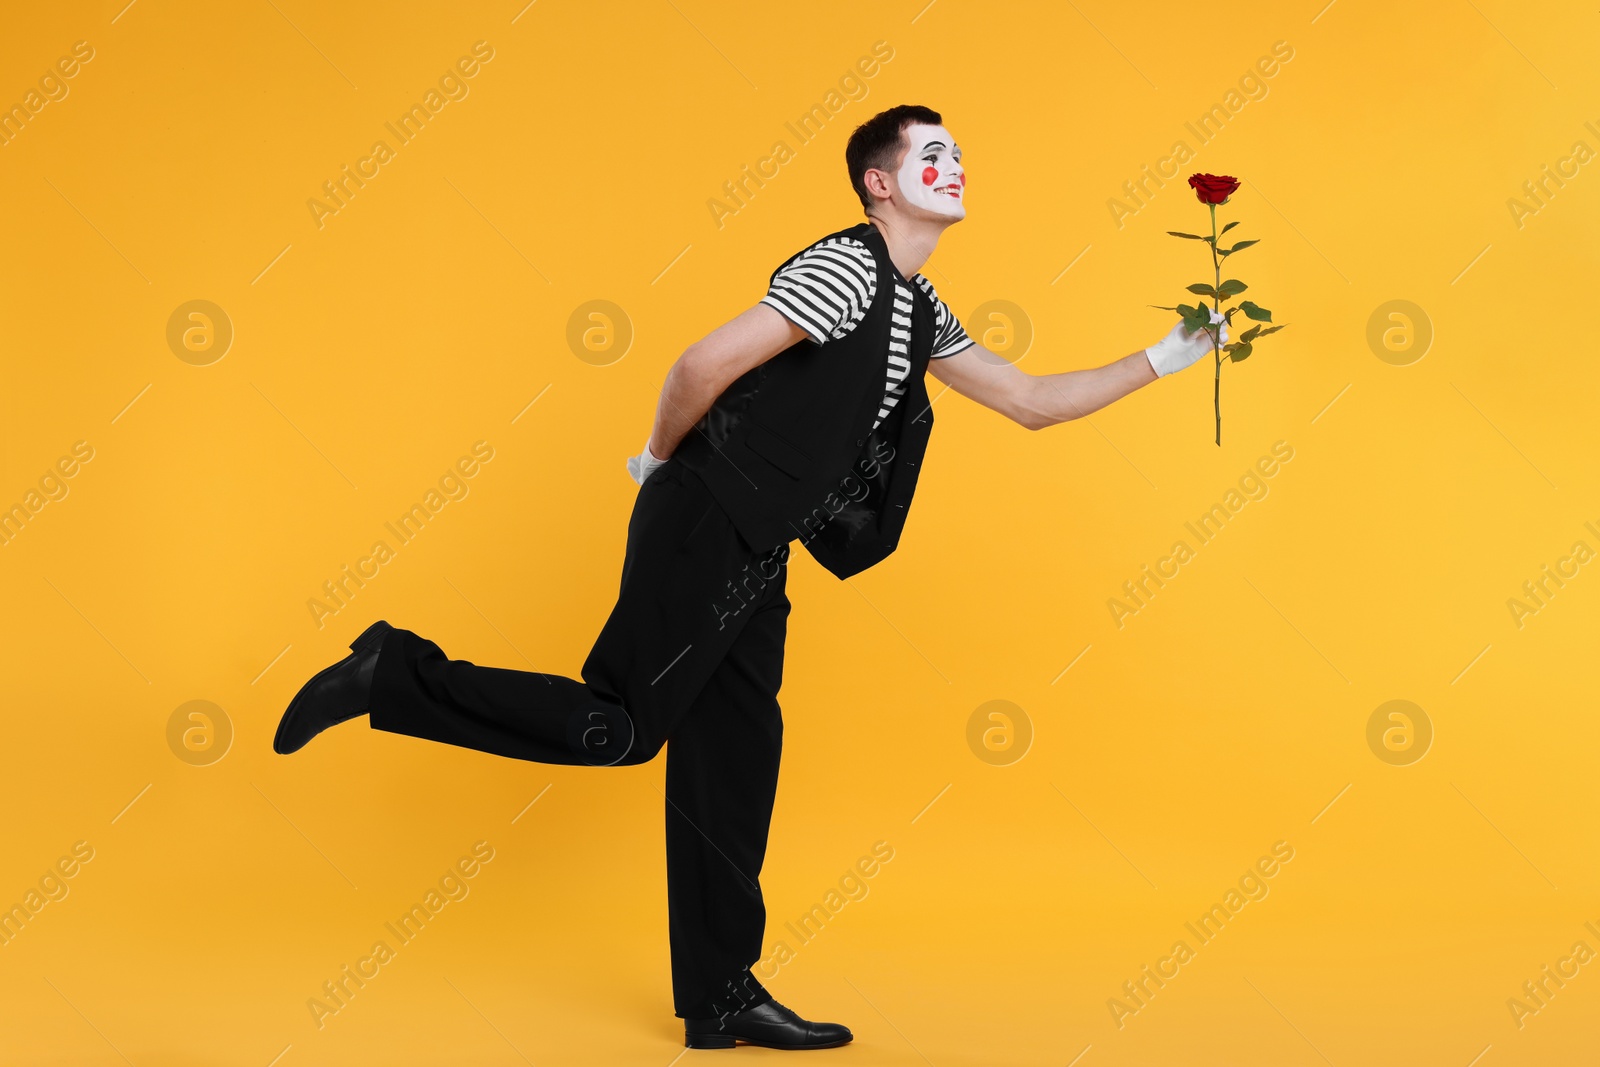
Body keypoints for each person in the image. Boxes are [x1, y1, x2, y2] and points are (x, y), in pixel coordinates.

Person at [273, 103, 1226, 1052]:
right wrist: (655, 464)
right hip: (706, 516)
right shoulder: (848, 266)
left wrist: (1168, 356)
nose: (958, 164)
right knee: (621, 727)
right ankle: (390, 672)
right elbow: (701, 364)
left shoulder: (921, 306)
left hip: (756, 543)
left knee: (732, 761)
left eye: (962, 151)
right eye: (935, 153)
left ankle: (721, 996)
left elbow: (1030, 402)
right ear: (879, 183)